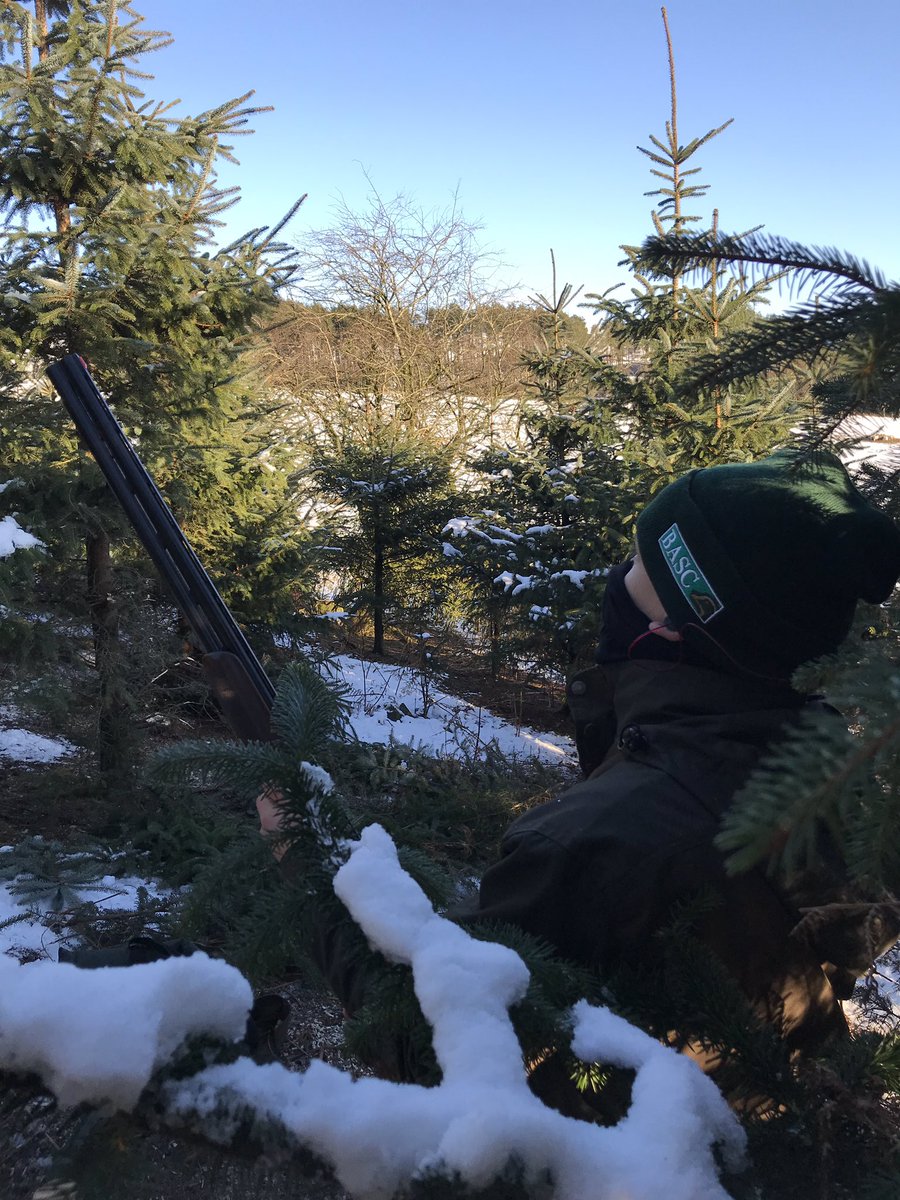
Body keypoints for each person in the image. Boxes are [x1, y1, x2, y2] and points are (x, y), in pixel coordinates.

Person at [470, 448, 900, 1075]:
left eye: (641, 563)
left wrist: (298, 850)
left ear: (677, 625)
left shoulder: (591, 844)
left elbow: (428, 1039)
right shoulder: (844, 783)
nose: (620, 573)